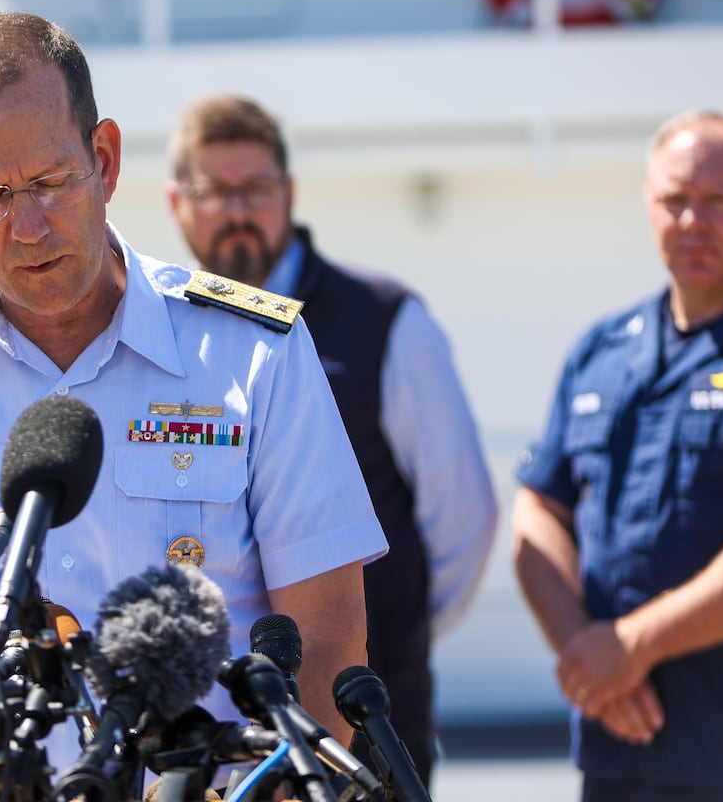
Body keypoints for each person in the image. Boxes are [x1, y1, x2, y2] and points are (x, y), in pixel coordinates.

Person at [0, 12, 389, 746]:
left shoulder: (255, 355)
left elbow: (326, 637)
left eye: (50, 182)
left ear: (107, 159)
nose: (27, 227)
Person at [164, 93, 498, 785]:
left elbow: (463, 514)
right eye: (215, 191)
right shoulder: (160, 335)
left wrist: (388, 630)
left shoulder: (386, 321)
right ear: (176, 204)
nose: (237, 211)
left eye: (256, 189)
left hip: (370, 723)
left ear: (289, 195)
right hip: (215, 737)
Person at [512, 110, 723, 801]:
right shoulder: (602, 350)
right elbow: (538, 508)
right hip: (617, 750)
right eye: (675, 200)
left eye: (721, 202)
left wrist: (630, 647)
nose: (693, 220)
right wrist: (587, 655)